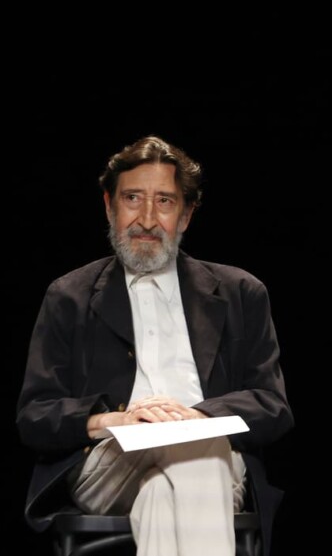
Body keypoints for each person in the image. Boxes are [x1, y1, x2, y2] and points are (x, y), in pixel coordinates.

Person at [16, 135, 294, 556]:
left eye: (164, 201)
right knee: (197, 456)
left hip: (216, 461)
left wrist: (196, 416)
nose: (147, 218)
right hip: (110, 463)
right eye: (133, 198)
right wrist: (114, 421)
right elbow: (35, 416)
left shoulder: (241, 292)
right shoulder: (68, 295)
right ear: (109, 206)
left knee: (175, 480)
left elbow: (273, 406)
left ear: (185, 215)